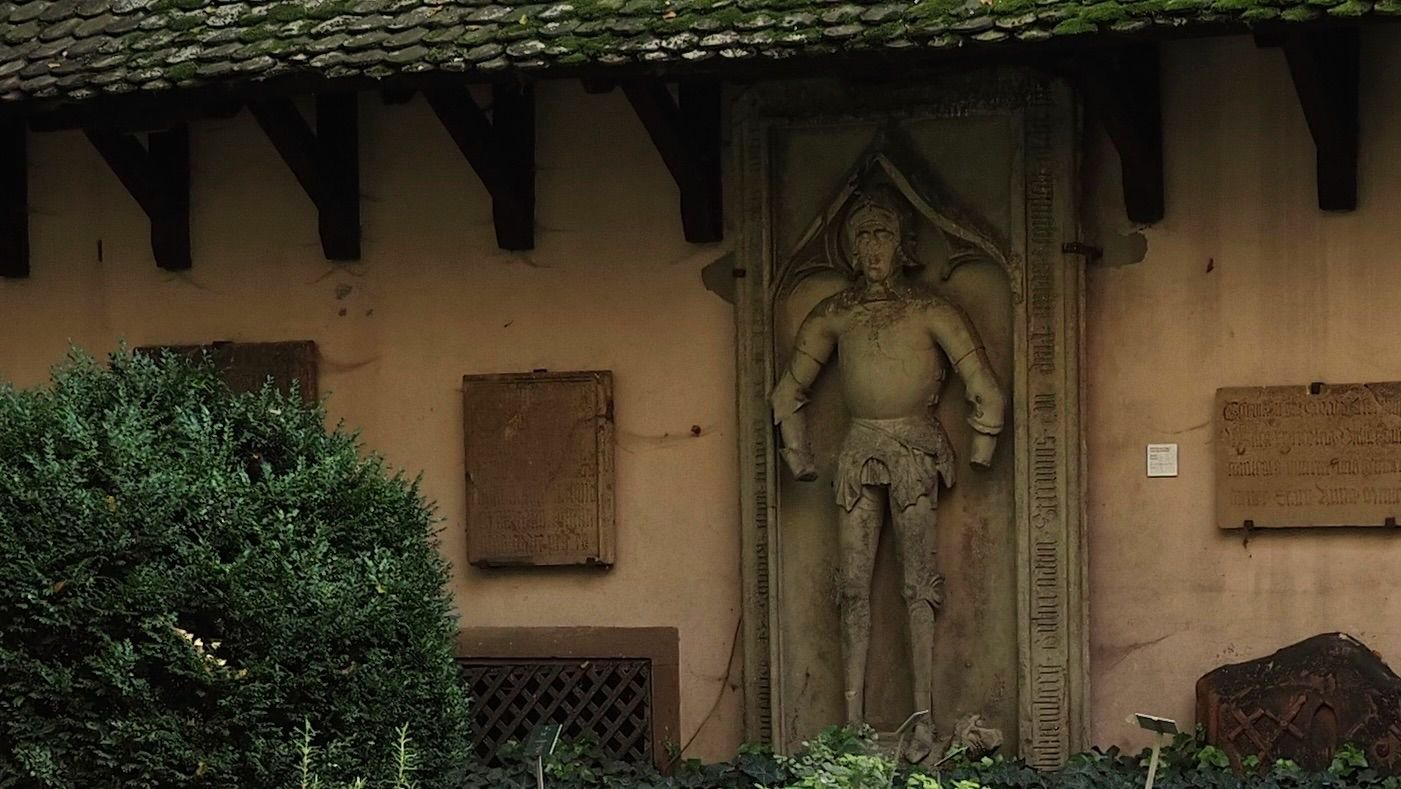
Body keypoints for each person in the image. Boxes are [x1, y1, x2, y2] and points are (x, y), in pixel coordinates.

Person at [770, 185, 1007, 758]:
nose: (873, 246)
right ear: (851, 249)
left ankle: (923, 720)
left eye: (883, 234)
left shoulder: (930, 310)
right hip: (858, 451)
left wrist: (983, 445)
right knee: (852, 588)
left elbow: (985, 389)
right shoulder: (836, 313)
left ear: (902, 243)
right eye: (863, 236)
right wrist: (797, 454)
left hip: (915, 449)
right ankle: (852, 724)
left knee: (917, 587)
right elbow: (787, 392)